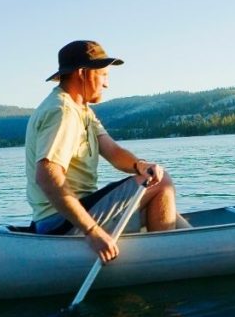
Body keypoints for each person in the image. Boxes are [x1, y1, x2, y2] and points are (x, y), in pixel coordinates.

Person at [26, 40, 187, 264]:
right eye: (103, 75)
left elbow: (112, 150)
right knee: (162, 183)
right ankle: (171, 261)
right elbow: (46, 175)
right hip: (61, 222)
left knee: (156, 181)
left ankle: (187, 245)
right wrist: (92, 231)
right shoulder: (62, 112)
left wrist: (140, 165)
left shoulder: (81, 110)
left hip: (72, 213)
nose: (107, 84)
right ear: (82, 73)